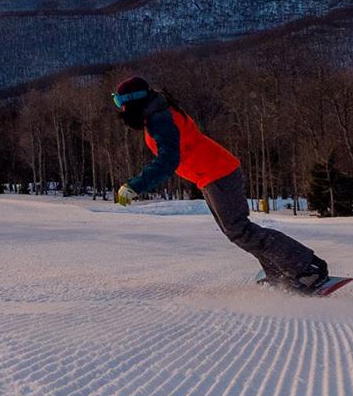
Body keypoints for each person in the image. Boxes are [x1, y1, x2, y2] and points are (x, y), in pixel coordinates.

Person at [109, 75, 331, 292]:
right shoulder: (158, 113)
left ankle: (307, 269)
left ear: (133, 101)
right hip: (210, 175)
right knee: (237, 231)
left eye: (119, 102)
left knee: (240, 231)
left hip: (218, 173)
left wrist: (135, 186)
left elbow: (168, 161)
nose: (120, 109)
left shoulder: (160, 120)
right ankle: (281, 272)